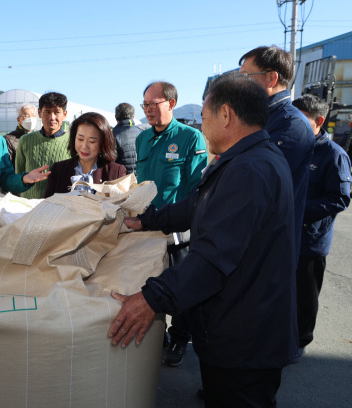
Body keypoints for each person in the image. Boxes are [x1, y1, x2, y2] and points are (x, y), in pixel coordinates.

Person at [109, 72, 298, 407]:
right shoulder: (245, 159)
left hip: (246, 337)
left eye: (205, 117)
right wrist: (146, 220)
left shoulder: (249, 170)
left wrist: (151, 298)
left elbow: (213, 257)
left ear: (226, 115)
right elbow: (197, 205)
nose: (202, 125)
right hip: (242, 324)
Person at [135, 81, 208, 367]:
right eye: (145, 104)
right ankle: (159, 333)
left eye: (155, 103)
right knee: (150, 282)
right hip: (147, 226)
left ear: (172, 103)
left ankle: (179, 337)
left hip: (178, 229)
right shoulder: (142, 139)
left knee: (182, 286)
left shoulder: (191, 138)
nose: (149, 109)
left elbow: (196, 188)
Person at [238, 46, 314, 268]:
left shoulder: (291, 125)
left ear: (271, 78)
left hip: (269, 247)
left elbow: (257, 185)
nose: (240, 84)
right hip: (249, 241)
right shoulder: (259, 119)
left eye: (246, 77)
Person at [291, 94, 351, 357]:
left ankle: (300, 341)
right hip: (284, 234)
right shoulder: (293, 148)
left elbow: (340, 198)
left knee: (305, 295)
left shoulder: (334, 155)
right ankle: (281, 336)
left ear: (320, 121)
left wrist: (299, 212)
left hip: (310, 240)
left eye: (302, 121)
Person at [44, 112, 126, 197]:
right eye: (80, 139)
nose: (84, 146)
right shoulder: (58, 169)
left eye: (92, 141)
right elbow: (47, 205)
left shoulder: (116, 172)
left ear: (103, 142)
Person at [16, 92, 72, 199]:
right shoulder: (25, 140)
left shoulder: (73, 142)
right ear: (39, 113)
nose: (52, 117)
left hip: (61, 207)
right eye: (47, 112)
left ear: (64, 114)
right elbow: (19, 175)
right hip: (30, 206)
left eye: (57, 112)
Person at [112, 102, 142, 175]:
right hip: (141, 180)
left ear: (116, 116)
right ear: (133, 115)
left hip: (122, 180)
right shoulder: (142, 132)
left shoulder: (112, 135)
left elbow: (111, 163)